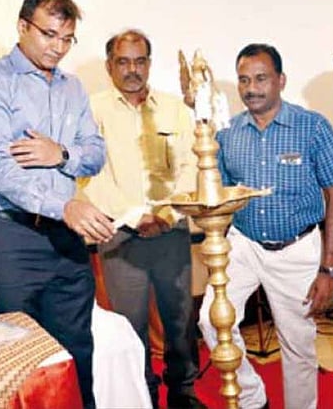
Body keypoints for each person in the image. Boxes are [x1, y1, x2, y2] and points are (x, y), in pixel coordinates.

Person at [0, 0, 115, 409]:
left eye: (67, 39)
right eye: (49, 35)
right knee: (25, 358)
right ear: (22, 27)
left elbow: (95, 153)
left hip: (65, 236)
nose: (58, 48)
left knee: (77, 351)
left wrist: (60, 154)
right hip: (9, 236)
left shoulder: (73, 88)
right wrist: (62, 204)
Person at [198, 43, 333, 409]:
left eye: (261, 78)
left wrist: (329, 267)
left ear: (281, 80)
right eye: (244, 80)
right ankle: (253, 399)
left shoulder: (312, 126)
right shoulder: (227, 132)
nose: (251, 88)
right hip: (244, 244)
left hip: (297, 249)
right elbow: (220, 195)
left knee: (298, 346)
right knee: (211, 321)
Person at [81, 29, 205, 409]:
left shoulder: (174, 109)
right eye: (123, 62)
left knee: (180, 319)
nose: (132, 69)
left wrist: (166, 213)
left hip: (171, 230)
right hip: (120, 235)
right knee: (129, 325)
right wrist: (136, 216)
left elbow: (189, 164)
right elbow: (90, 176)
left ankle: (183, 392)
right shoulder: (91, 110)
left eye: (139, 61)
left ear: (149, 64)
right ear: (109, 66)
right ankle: (143, 396)